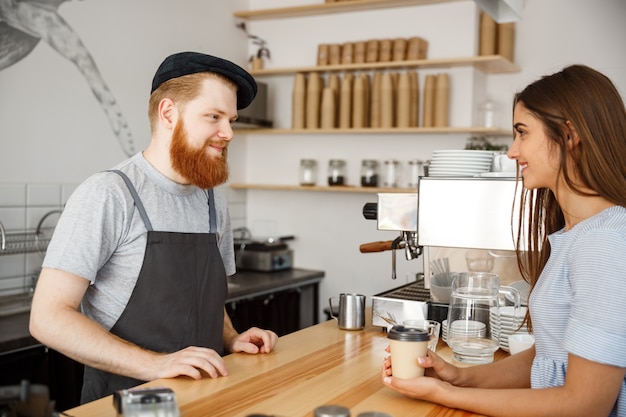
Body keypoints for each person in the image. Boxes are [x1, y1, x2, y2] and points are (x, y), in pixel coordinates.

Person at [29, 51, 279, 403]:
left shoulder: (211, 202)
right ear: (168, 113)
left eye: (231, 119)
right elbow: (47, 318)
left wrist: (230, 338)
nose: (228, 133)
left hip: (209, 395)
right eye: (214, 117)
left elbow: (204, 301)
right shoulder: (109, 194)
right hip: (123, 402)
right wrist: (156, 365)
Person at [382, 64, 626, 416]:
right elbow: (550, 358)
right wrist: (458, 377)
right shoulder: (574, 235)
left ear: (570, 135)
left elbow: (583, 405)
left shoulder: (604, 243)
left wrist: (443, 394)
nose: (512, 152)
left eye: (523, 133)